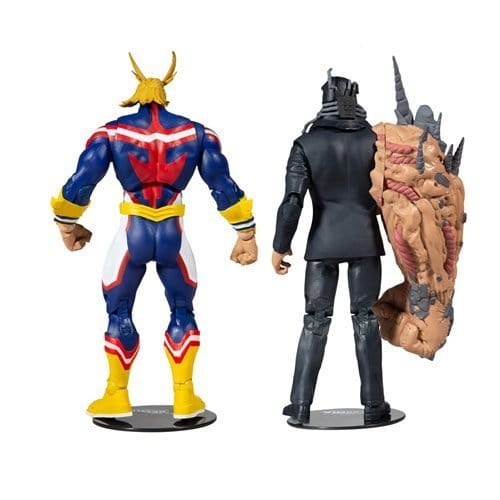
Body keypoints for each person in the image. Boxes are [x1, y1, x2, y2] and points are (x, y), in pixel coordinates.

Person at [52, 52, 257, 419]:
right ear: (165, 92)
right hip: (173, 234)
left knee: (119, 311)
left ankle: (117, 395)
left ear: (138, 93)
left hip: (132, 232)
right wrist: (246, 233)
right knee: (182, 309)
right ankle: (185, 396)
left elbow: (82, 181)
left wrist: (68, 225)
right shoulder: (197, 134)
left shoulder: (112, 133)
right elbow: (222, 184)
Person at [272, 69, 389, 424]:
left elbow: (293, 202)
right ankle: (374, 404)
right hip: (365, 240)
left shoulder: (305, 144)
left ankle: (301, 404)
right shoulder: (377, 142)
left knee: (315, 321)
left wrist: (280, 245)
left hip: (322, 242)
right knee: (367, 321)